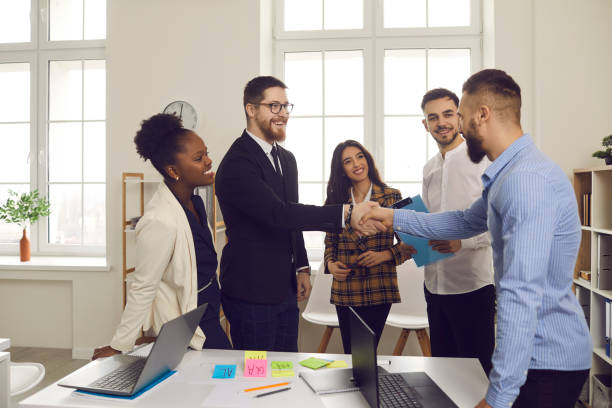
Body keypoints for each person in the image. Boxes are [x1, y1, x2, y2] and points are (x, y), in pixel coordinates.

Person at [361, 69, 591, 408]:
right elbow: (463, 220)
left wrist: (497, 396)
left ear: (482, 114)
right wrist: (392, 215)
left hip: (546, 360)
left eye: (463, 116)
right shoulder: (507, 174)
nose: (460, 128)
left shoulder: (524, 180)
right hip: (533, 356)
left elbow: (520, 291)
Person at [214, 76, 381, 352]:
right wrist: (346, 213)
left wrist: (301, 266)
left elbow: (292, 216)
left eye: (285, 106)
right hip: (251, 294)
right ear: (251, 109)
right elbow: (278, 214)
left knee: (284, 370)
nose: (282, 114)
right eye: (274, 106)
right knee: (255, 377)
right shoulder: (237, 163)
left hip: (285, 289)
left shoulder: (286, 159)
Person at [92, 113, 231, 359]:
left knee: (225, 380)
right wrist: (119, 345)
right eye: (199, 158)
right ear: (173, 170)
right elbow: (144, 285)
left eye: (206, 153)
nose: (209, 161)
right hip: (188, 325)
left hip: (208, 314)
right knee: (217, 385)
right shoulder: (159, 220)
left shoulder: (196, 203)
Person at [419, 88, 495, 376]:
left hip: (472, 288)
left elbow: (501, 222)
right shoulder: (428, 168)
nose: (442, 123)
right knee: (445, 376)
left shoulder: (485, 160)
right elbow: (428, 222)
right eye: (433, 117)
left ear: (460, 117)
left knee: (477, 378)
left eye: (448, 114)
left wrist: (462, 242)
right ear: (425, 124)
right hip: (434, 287)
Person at [324, 140, 414, 354]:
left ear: (368, 159)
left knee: (366, 353)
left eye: (360, 156)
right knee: (351, 355)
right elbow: (330, 241)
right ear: (342, 169)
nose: (356, 163)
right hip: (346, 286)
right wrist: (330, 264)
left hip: (379, 283)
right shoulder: (337, 200)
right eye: (348, 161)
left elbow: (410, 246)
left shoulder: (393, 196)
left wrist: (385, 255)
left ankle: (370, 388)